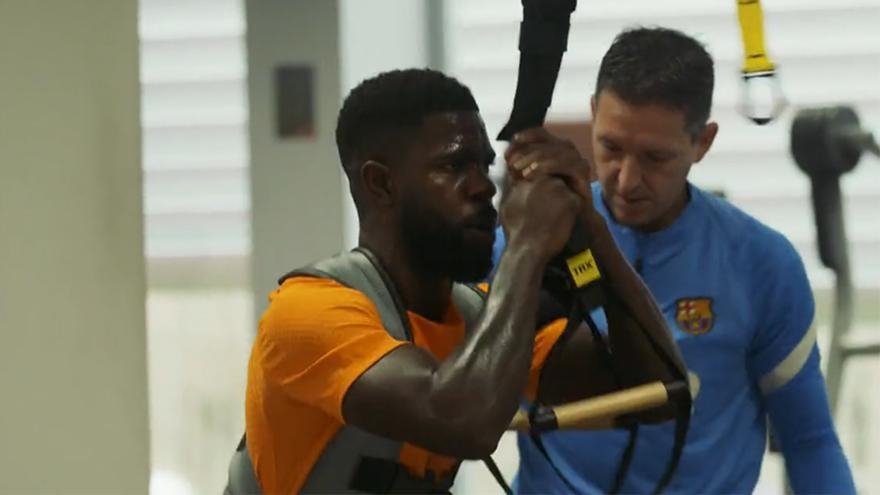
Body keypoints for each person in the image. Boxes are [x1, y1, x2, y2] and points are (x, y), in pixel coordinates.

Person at [240, 68, 688, 494]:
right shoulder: (309, 312)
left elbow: (658, 395)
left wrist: (590, 226)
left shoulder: (476, 317)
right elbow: (463, 423)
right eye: (454, 167)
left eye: (483, 165)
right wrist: (527, 246)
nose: (483, 187)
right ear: (380, 184)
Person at [493, 27, 856, 493]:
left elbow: (809, 442)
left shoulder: (762, 265)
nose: (627, 180)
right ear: (593, 114)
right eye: (611, 148)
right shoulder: (524, 243)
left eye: (655, 158)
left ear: (702, 142)